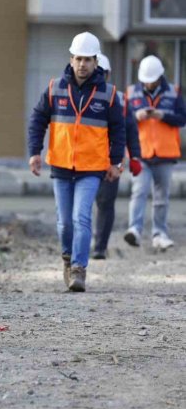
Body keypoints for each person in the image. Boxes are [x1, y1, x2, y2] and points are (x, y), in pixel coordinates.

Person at [28, 32, 124, 292]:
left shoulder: (109, 95)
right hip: (60, 166)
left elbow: (118, 130)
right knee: (64, 222)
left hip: (92, 168)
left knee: (81, 217)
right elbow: (37, 120)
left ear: (96, 62)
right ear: (71, 59)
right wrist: (34, 152)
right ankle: (68, 259)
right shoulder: (54, 88)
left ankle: (79, 270)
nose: (83, 64)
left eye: (88, 60)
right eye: (78, 58)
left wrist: (115, 162)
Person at [123, 55, 186, 251]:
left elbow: (182, 119)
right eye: (146, 80)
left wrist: (163, 115)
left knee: (161, 198)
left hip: (165, 154)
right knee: (139, 192)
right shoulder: (131, 93)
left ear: (160, 77)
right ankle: (134, 229)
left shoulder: (174, 93)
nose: (149, 84)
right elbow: (121, 120)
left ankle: (160, 234)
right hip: (140, 153)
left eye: (152, 80)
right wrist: (136, 116)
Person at [92, 54, 142, 259]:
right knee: (83, 205)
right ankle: (82, 243)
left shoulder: (120, 99)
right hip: (84, 160)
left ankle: (99, 247)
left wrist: (136, 157)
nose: (99, 77)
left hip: (111, 161)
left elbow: (130, 130)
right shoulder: (78, 95)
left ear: (108, 74)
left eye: (102, 73)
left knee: (105, 202)